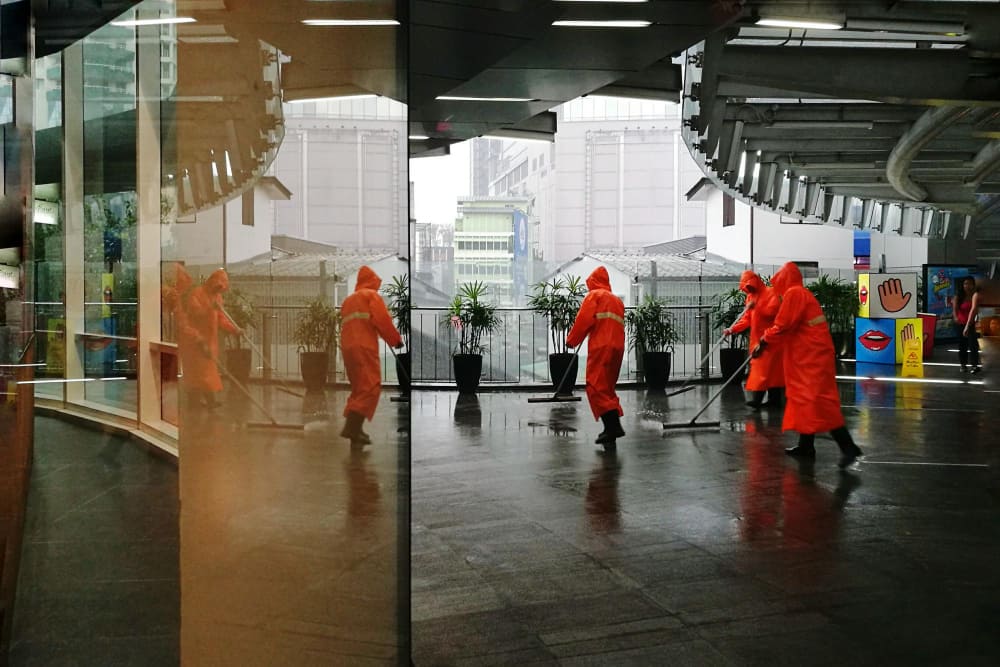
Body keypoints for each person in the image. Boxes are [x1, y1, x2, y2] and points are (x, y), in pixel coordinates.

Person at [756, 262, 863, 468]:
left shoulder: (794, 294)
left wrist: (764, 340)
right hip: (809, 357)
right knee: (805, 400)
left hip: (811, 359)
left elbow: (783, 325)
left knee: (818, 401)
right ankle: (806, 446)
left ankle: (848, 447)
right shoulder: (800, 294)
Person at [340, 266, 403, 445]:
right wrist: (395, 340)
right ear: (372, 281)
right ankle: (352, 427)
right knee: (370, 386)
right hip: (364, 346)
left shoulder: (349, 300)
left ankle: (355, 430)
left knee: (359, 387)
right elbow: (382, 320)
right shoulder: (370, 296)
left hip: (348, 347)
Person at [566, 266, 626, 446]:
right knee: (607, 387)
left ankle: (613, 427)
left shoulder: (595, 296)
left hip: (602, 346)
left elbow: (584, 320)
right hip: (617, 347)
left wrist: (572, 340)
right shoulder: (617, 301)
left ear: (593, 282)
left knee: (595, 385)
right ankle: (611, 431)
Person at [177, 268, 240, 408]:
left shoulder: (217, 297)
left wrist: (234, 330)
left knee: (206, 372)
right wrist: (211, 308)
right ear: (212, 282)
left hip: (209, 341)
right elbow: (195, 313)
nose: (218, 290)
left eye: (221, 288)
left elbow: (221, 319)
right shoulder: (197, 293)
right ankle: (198, 402)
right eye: (217, 287)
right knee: (197, 372)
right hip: (194, 340)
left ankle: (204, 402)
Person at [724, 270, 785, 409]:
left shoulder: (771, 293)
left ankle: (764, 401)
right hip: (757, 341)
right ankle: (768, 401)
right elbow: (747, 320)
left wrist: (757, 307)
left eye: (750, 286)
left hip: (771, 340)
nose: (749, 289)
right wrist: (732, 329)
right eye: (746, 287)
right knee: (764, 371)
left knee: (768, 372)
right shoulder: (750, 297)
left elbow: (774, 314)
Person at [952, 276, 981, 374]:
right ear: (963, 285)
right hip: (960, 324)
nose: (967, 286)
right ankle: (963, 365)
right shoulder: (958, 296)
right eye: (965, 284)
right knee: (962, 345)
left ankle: (974, 365)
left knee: (973, 345)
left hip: (971, 324)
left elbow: (975, 311)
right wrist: (956, 319)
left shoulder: (975, 296)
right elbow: (954, 311)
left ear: (973, 285)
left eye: (969, 284)